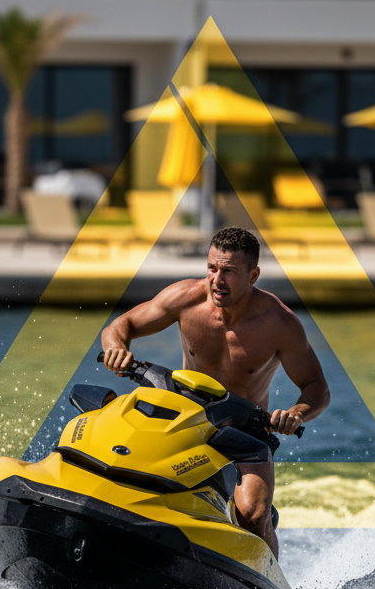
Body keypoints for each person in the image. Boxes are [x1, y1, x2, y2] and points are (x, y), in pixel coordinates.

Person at [101, 225, 329, 557]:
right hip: (186, 417)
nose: (216, 280)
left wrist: (296, 414)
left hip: (246, 431)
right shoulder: (186, 299)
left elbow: (317, 387)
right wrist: (115, 347)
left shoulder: (279, 324)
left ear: (253, 275)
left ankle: (271, 587)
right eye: (212, 268)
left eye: (229, 271)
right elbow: (122, 325)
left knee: (252, 514)